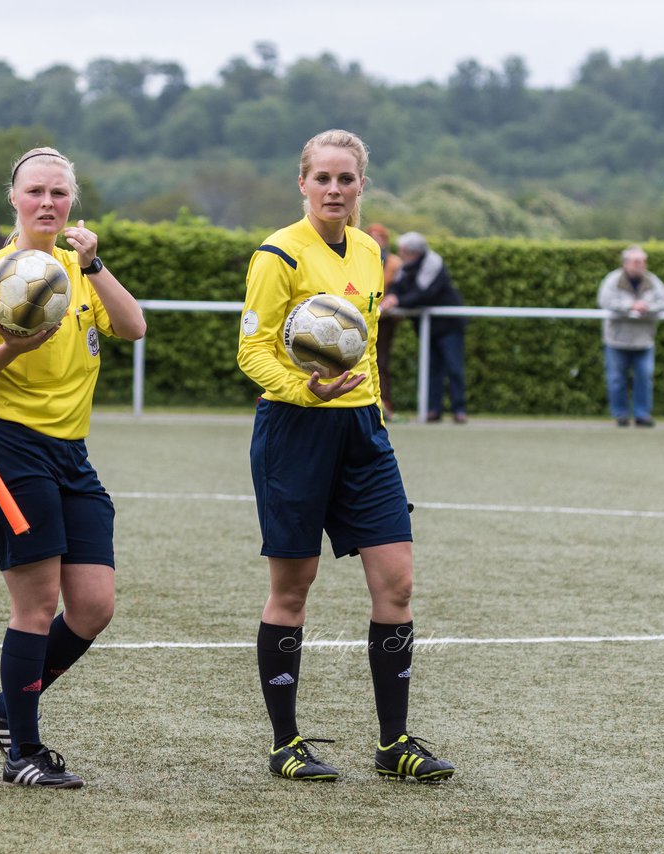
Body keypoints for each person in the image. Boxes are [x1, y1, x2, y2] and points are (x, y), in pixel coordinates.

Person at [237, 129, 455, 783]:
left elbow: (366, 348)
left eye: (347, 179)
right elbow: (252, 352)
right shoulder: (277, 254)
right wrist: (302, 385)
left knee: (397, 581)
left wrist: (376, 419)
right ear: (302, 184)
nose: (335, 190)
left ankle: (395, 745)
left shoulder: (369, 251)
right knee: (292, 590)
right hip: (295, 431)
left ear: (362, 185)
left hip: (363, 433)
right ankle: (286, 743)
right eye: (324, 179)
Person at [0, 147, 146, 788]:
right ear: (13, 198)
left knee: (92, 606)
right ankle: (23, 752)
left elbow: (133, 325)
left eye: (58, 193)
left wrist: (93, 264)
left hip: (72, 455)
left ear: (72, 200)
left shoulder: (78, 269)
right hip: (9, 450)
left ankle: (5, 710)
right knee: (35, 605)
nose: (47, 203)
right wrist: (15, 344)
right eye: (35, 191)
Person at [380, 232, 468, 423]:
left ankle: (459, 410)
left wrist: (397, 300)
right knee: (431, 368)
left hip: (449, 325)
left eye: (403, 251)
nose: (400, 254)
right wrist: (392, 297)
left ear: (414, 252)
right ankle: (433, 411)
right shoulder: (407, 265)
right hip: (427, 327)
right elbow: (398, 286)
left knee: (454, 368)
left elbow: (423, 294)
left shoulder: (434, 263)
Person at [597, 245, 664, 427]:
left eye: (643, 262)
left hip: (644, 341)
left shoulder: (653, 281)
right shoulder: (612, 280)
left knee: (644, 378)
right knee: (616, 379)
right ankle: (620, 415)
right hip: (617, 340)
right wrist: (630, 306)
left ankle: (642, 415)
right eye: (636, 261)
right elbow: (604, 301)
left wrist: (647, 307)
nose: (640, 265)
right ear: (626, 263)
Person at [364, 223, 404, 419]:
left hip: (385, 319)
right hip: (362, 316)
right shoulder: (361, 256)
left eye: (379, 236)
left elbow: (399, 287)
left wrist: (390, 300)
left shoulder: (395, 262)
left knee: (381, 361)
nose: (375, 239)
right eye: (371, 235)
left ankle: (385, 404)